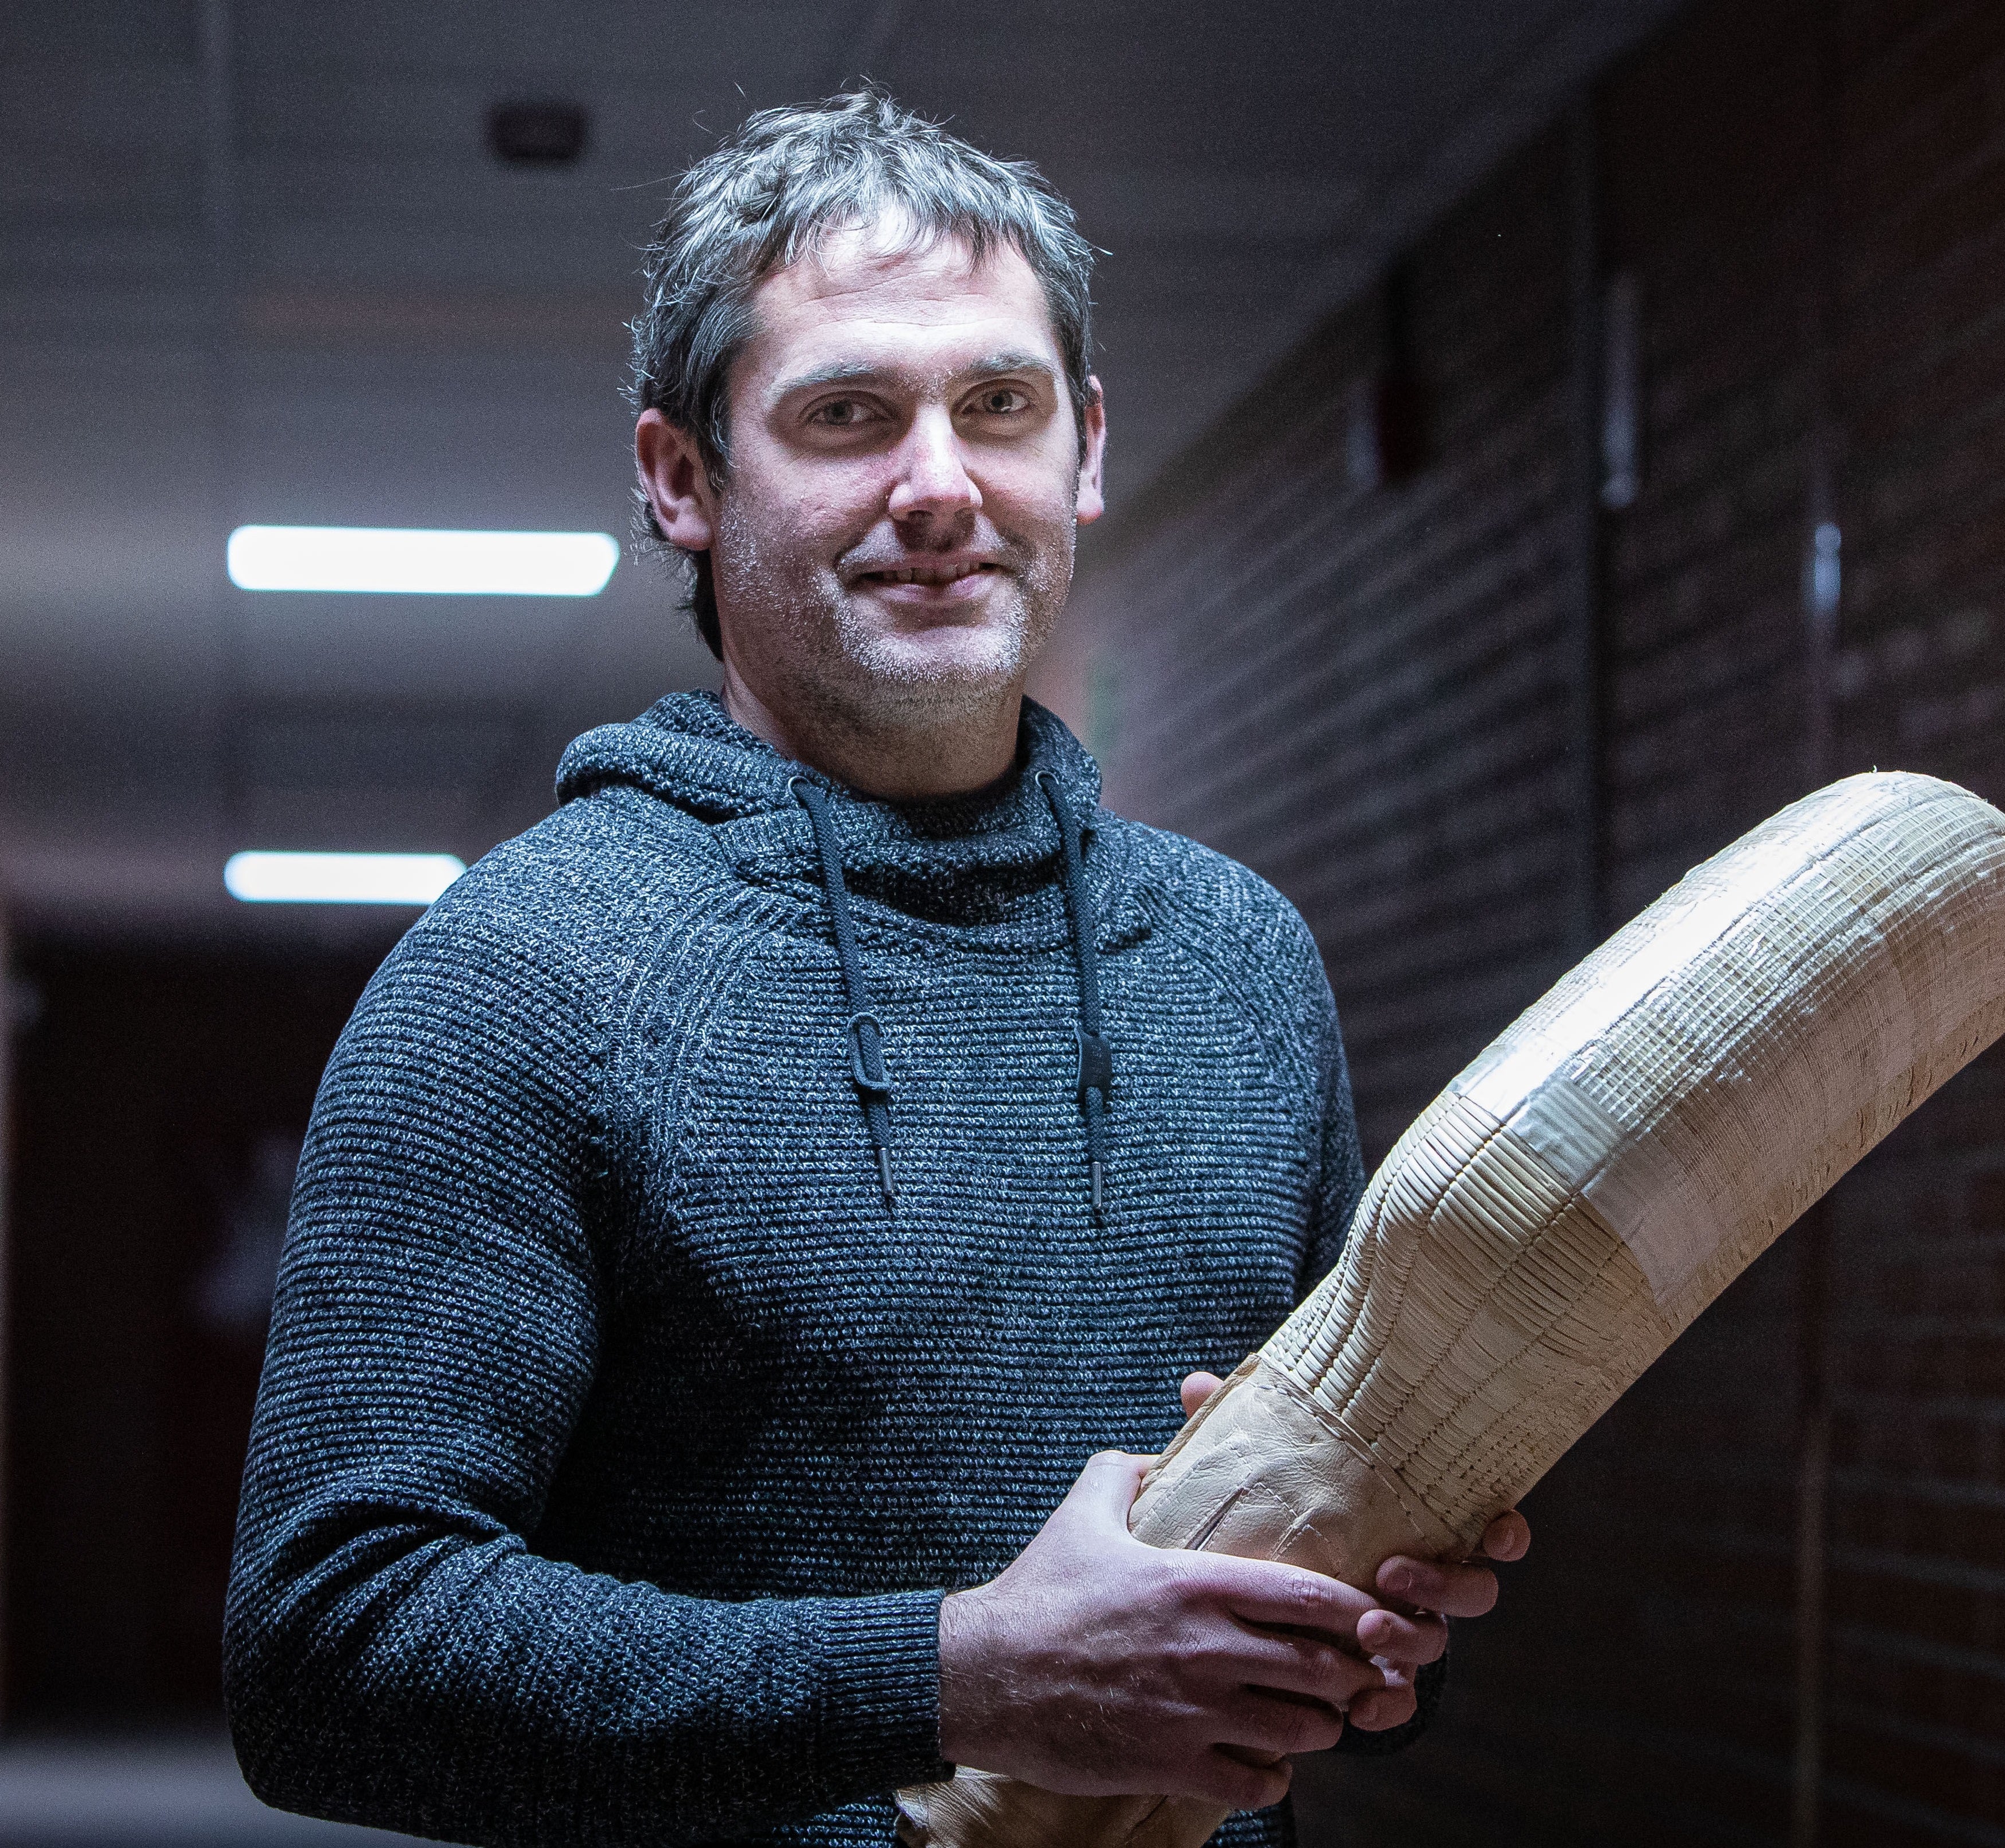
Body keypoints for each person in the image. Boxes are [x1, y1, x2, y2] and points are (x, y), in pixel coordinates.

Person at [224, 91, 1527, 1848]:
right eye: (846, 415)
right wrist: (954, 1677)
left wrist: (1357, 1617)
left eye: (997, 404)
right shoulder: (522, 973)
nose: (937, 484)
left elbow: (1308, 1680)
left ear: (1080, 449)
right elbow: (328, 1651)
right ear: (680, 479)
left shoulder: (1238, 963)